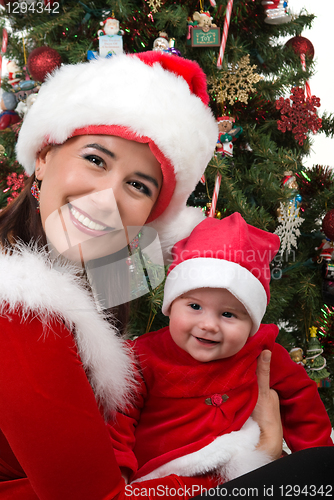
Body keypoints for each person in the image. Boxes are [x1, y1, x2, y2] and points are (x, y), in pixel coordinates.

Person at [0, 51, 284, 500]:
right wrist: (251, 458)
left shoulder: (100, 272)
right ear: (43, 156)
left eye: (138, 185)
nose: (105, 198)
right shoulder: (23, 309)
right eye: (95, 159)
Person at [109, 213, 333, 484]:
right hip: (160, 478)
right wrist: (117, 471)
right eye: (194, 306)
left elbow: (301, 399)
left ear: (252, 322)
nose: (208, 325)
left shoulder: (262, 352)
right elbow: (118, 417)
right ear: (170, 306)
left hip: (238, 470)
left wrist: (317, 460)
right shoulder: (143, 355)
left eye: (228, 314)